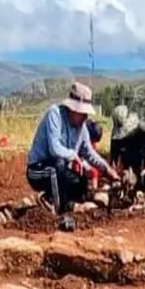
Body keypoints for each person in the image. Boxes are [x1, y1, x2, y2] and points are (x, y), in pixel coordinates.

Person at [26, 82, 120, 231]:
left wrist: (106, 168)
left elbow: (89, 153)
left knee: (81, 181)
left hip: (60, 170)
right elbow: (54, 149)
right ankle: (60, 213)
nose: (85, 117)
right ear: (73, 109)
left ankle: (53, 199)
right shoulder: (54, 114)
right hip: (39, 169)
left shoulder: (81, 128)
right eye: (82, 113)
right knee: (57, 166)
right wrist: (73, 155)